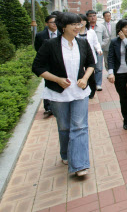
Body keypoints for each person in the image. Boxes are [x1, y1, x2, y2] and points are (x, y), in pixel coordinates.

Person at [32, 12, 95, 176]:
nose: (77, 27)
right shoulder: (50, 45)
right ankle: (66, 154)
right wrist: (57, 80)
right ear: (63, 27)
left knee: (80, 126)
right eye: (73, 24)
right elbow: (37, 68)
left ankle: (80, 164)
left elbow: (91, 64)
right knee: (64, 127)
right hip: (59, 93)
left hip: (80, 92)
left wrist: (85, 78)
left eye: (79, 24)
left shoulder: (82, 43)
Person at [108, 19, 127, 130]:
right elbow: (110, 57)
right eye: (125, 27)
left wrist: (124, 40)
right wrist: (111, 72)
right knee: (123, 98)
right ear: (120, 29)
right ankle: (126, 120)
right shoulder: (114, 41)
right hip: (119, 74)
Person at [34, 15, 60, 115]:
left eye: (56, 22)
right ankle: (48, 107)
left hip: (60, 64)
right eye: (52, 22)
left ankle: (58, 104)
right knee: (48, 83)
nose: (54, 24)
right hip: (47, 65)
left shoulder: (61, 33)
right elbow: (37, 49)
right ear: (46, 24)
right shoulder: (40, 35)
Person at [77, 14, 102, 99]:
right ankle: (82, 89)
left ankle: (92, 91)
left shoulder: (91, 32)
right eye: (79, 21)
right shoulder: (75, 32)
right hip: (78, 57)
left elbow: (96, 42)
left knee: (90, 75)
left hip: (89, 56)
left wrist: (98, 49)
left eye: (82, 20)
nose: (81, 22)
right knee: (80, 74)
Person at [86, 10, 106, 91]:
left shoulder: (101, 26)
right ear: (87, 17)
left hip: (99, 51)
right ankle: (89, 84)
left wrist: (101, 45)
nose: (93, 17)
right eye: (90, 16)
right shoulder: (86, 28)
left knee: (99, 67)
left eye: (94, 15)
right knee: (88, 67)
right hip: (88, 51)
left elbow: (106, 37)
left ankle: (98, 84)